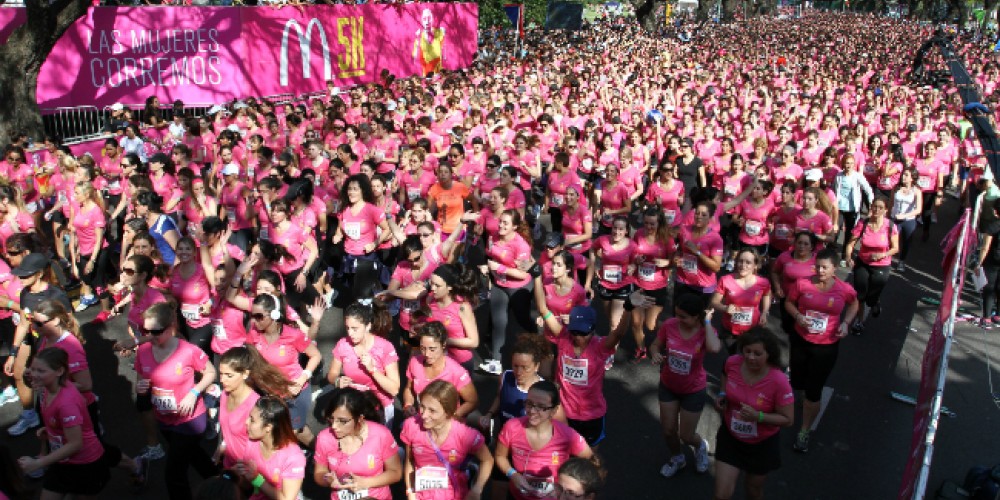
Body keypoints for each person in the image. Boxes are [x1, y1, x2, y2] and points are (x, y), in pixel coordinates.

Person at [135, 302, 218, 500]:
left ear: (171, 327)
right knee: (195, 456)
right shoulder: (143, 351)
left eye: (156, 332)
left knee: (173, 474)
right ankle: (222, 483)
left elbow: (211, 372)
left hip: (190, 420)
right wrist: (141, 389)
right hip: (164, 419)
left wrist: (194, 392)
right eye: (146, 331)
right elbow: (141, 380)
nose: (150, 336)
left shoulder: (188, 350)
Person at [784, 248, 859, 452]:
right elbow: (789, 303)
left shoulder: (843, 289)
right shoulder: (803, 283)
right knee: (797, 382)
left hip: (826, 347)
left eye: (824, 267)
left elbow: (854, 304)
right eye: (817, 266)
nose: (820, 270)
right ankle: (802, 393)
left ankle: (804, 431)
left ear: (834, 268)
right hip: (801, 340)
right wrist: (799, 316)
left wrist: (846, 323)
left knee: (813, 391)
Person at [712, 328, 794, 500]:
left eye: (757, 353)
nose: (750, 357)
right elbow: (725, 376)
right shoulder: (732, 362)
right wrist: (722, 395)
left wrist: (759, 417)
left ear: (769, 354)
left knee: (753, 489)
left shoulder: (779, 381)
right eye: (747, 351)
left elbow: (788, 419)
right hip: (731, 438)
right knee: (721, 495)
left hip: (761, 444)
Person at [17, 349, 111, 499]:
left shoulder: (66, 403)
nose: (34, 374)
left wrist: (38, 463)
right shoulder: (49, 388)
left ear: (59, 371)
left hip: (84, 464)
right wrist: (52, 430)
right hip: (62, 460)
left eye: (41, 371)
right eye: (33, 369)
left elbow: (75, 444)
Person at [648, 294, 721, 477]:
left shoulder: (706, 331)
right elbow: (656, 345)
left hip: (693, 389)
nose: (677, 319)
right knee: (668, 430)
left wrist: (707, 323)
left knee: (686, 436)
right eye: (677, 314)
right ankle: (677, 457)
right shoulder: (670, 325)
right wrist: (655, 353)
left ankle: (700, 446)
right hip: (668, 385)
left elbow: (714, 349)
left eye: (683, 316)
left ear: (697, 316)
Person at [5, 253, 71, 437]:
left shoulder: (56, 295)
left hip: (55, 354)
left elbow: (70, 326)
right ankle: (36, 421)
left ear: (40, 274)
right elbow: (24, 323)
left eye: (26, 275)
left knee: (62, 392)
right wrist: (13, 353)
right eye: (20, 274)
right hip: (38, 348)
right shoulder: (25, 294)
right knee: (34, 386)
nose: (21, 278)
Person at [494, 380, 593, 500]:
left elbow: (590, 460)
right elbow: (500, 456)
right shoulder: (512, 427)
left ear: (554, 411)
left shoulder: (567, 435)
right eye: (529, 403)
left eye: (541, 407)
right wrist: (513, 474)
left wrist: (569, 487)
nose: (532, 411)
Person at [246, 293, 322, 446]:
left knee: (296, 432)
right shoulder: (253, 334)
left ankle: (318, 454)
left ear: (273, 314)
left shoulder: (292, 334)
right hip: (271, 394)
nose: (254, 321)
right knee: (282, 429)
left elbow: (316, 356)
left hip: (294, 394)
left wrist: (301, 380)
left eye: (259, 316)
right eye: (252, 316)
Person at [400, 380, 493, 500]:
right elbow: (410, 461)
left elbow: (487, 460)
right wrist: (410, 491)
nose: (423, 415)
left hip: (454, 495)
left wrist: (477, 489)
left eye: (432, 411)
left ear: (448, 413)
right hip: (421, 495)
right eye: (422, 407)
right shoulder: (411, 426)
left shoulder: (465, 435)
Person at [313, 388, 403, 500]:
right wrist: (327, 480)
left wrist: (365, 483)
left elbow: (395, 472)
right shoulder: (324, 438)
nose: (334, 426)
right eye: (331, 419)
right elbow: (319, 472)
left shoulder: (381, 434)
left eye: (342, 421)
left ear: (360, 418)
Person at [216, 346, 291, 469]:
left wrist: (248, 469)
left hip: (249, 470)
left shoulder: (254, 405)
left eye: (229, 375)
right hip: (230, 464)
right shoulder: (225, 394)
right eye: (221, 374)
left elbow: (266, 443)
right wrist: (224, 445)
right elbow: (227, 427)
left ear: (245, 374)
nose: (222, 380)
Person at [328, 301, 401, 426]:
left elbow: (394, 389)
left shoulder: (385, 347)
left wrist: (372, 370)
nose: (350, 333)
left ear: (367, 326)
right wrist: (336, 381)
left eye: (355, 329)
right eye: (347, 328)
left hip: (378, 407)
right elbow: (332, 374)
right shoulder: (343, 344)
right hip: (353, 404)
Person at [482, 210, 534, 375]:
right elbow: (489, 255)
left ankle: (541, 341)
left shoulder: (521, 246)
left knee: (523, 320)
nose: (501, 226)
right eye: (500, 222)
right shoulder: (493, 237)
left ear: (515, 227)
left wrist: (500, 268)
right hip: (499, 284)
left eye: (506, 223)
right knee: (499, 323)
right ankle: (496, 362)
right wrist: (488, 268)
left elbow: (524, 273)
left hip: (519, 287)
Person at [232, 396, 306, 500]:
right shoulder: (252, 441)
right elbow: (247, 485)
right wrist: (238, 474)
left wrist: (257, 479)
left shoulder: (293, 457)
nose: (246, 422)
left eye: (252, 420)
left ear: (268, 427)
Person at [478, 332, 549, 439]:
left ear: (536, 366)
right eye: (515, 366)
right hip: (503, 438)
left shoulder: (544, 392)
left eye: (525, 367)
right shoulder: (505, 377)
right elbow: (499, 397)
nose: (519, 371)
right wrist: (489, 415)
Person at [402, 321, 478, 419]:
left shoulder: (457, 372)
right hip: (422, 420)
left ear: (443, 345)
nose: (427, 354)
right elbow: (408, 388)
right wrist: (408, 405)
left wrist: (452, 418)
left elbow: (472, 401)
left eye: (432, 349)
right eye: (422, 348)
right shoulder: (415, 362)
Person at [845, 196, 898, 334]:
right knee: (860, 294)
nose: (876, 210)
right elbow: (851, 243)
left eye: (880, 207)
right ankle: (859, 321)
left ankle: (875, 303)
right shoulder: (863, 223)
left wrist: (882, 255)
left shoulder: (890, 226)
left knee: (871, 298)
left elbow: (895, 248)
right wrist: (848, 256)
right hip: (863, 263)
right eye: (874, 206)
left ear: (886, 210)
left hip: (881, 265)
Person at [630, 207, 674, 362]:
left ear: (659, 223)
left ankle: (660, 340)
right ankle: (640, 348)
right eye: (646, 223)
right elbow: (632, 254)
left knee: (650, 326)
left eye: (652, 224)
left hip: (657, 287)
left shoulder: (667, 239)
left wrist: (666, 262)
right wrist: (636, 260)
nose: (648, 227)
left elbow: (675, 261)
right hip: (638, 284)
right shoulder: (638, 234)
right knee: (636, 322)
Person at [711, 249, 772, 353]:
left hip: (752, 329)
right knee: (732, 357)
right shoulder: (725, 280)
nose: (743, 265)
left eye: (748, 262)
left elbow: (767, 294)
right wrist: (725, 308)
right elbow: (714, 302)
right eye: (740, 261)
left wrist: (765, 312)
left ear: (755, 265)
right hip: (729, 329)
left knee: (748, 358)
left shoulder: (763, 282)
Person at [770, 231, 817, 335]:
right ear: (794, 243)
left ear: (812, 246)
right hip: (788, 299)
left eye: (806, 244)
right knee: (788, 326)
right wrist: (777, 288)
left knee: (804, 329)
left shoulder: (817, 260)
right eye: (799, 243)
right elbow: (775, 272)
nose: (801, 246)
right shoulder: (784, 257)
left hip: (809, 300)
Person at [890, 169, 922, 271]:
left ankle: (901, 261)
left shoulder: (916, 191)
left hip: (909, 220)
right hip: (895, 218)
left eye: (906, 175)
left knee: (907, 241)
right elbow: (891, 203)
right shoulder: (896, 188)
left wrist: (905, 215)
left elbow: (918, 209)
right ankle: (887, 257)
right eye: (903, 174)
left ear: (912, 178)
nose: (903, 177)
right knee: (891, 238)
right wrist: (887, 216)